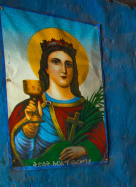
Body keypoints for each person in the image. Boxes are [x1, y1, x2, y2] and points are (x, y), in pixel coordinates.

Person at [9, 38, 107, 167]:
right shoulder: (29, 107)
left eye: (68, 64)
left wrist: (83, 149)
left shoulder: (88, 110)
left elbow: (101, 142)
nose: (63, 70)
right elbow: (20, 159)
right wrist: (28, 132)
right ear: (46, 68)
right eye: (56, 62)